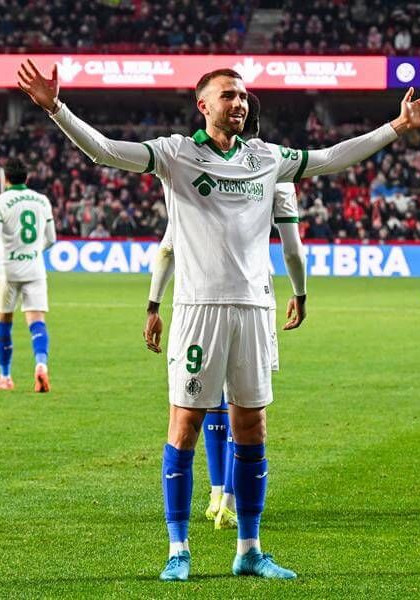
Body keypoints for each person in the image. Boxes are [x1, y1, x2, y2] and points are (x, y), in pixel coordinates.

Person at [17, 59, 420, 580]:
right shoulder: (176, 154)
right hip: (199, 312)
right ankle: (178, 550)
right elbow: (105, 151)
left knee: (252, 425)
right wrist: (56, 108)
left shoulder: (266, 158)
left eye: (243, 96)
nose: (239, 103)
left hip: (254, 310)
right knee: (185, 425)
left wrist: (398, 126)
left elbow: (332, 158)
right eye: (228, 96)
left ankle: (249, 548)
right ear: (203, 105)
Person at [145, 91, 308, 533]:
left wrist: (153, 303)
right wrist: (301, 293)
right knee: (247, 408)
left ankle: (218, 492)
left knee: (210, 401)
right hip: (254, 297)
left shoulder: (243, 162)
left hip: (205, 299)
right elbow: (291, 248)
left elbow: (168, 245)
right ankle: (230, 498)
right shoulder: (277, 172)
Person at [0, 158, 56, 392]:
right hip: (35, 268)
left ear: (4, 179)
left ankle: (5, 377)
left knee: (4, 321)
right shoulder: (42, 200)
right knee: (37, 322)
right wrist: (33, 251)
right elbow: (52, 238)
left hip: (7, 270)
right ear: (28, 177)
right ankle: (41, 365)